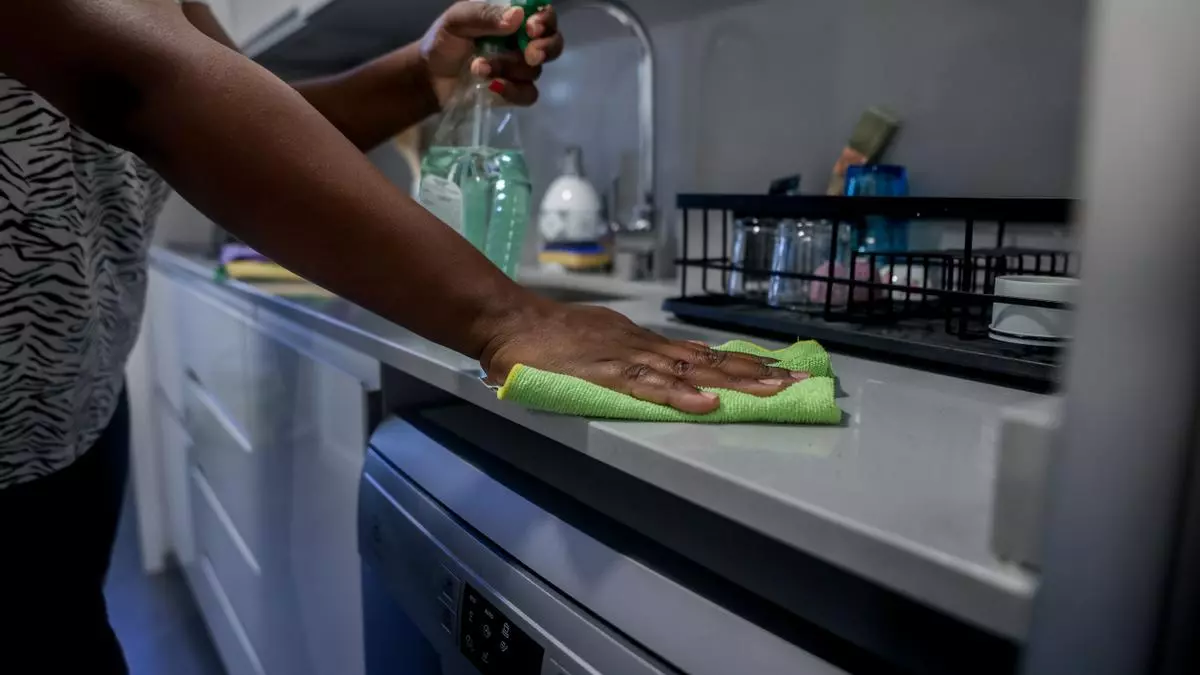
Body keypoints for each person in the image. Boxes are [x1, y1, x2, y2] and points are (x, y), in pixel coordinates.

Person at [0, 1, 807, 671]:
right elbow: (149, 83)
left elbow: (246, 112)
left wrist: (421, 75)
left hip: (75, 407)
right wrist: (511, 317)